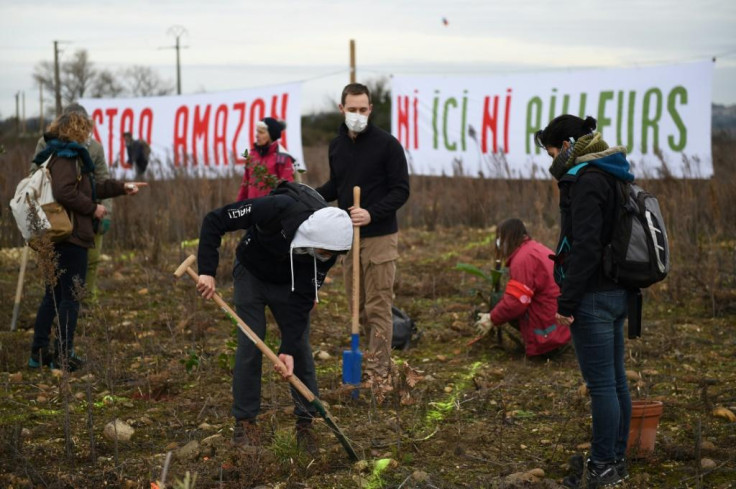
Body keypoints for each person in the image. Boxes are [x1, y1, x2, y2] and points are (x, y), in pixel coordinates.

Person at [195, 190, 353, 454]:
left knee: (300, 347)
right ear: (314, 236)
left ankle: (306, 424)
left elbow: (302, 303)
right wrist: (207, 271)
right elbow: (215, 220)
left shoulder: (329, 252)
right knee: (251, 344)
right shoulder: (277, 208)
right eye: (323, 250)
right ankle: (245, 424)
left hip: (288, 285)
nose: (326, 256)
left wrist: (287, 349)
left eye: (330, 253)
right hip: (251, 273)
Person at [535, 115, 633, 489]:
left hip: (593, 295)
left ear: (569, 146)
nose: (552, 158)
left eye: (553, 150)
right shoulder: (611, 170)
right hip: (617, 289)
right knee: (616, 381)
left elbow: (586, 247)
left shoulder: (587, 180)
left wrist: (567, 302)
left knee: (603, 386)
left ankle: (604, 464)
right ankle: (617, 460)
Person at [29, 111, 146, 372]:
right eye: (86, 130)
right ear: (77, 130)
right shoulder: (68, 156)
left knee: (53, 296)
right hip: (70, 236)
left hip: (57, 235)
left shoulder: (56, 154)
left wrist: (121, 188)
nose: (90, 135)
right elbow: (65, 191)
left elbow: (88, 187)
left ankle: (39, 354)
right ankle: (62, 354)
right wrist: (93, 209)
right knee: (69, 297)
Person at [316, 83, 410, 384]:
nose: (357, 114)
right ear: (342, 109)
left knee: (377, 305)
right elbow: (337, 187)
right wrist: (307, 196)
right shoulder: (337, 146)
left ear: (370, 109)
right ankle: (363, 363)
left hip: (380, 236)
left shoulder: (387, 145)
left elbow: (401, 191)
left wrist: (371, 213)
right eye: (352, 109)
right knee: (356, 305)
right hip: (349, 237)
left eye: (363, 109)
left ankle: (378, 373)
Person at [32, 103, 112, 303]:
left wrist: (107, 210)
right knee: (54, 264)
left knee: (91, 261)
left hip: (87, 214)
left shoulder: (94, 148)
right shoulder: (46, 144)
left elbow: (103, 180)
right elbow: (34, 176)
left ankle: (85, 301)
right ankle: (55, 304)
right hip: (55, 214)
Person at [474, 218, 570, 357]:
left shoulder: (523, 259)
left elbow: (516, 302)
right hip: (560, 319)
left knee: (504, 301)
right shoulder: (534, 249)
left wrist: (492, 318)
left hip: (549, 325)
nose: (498, 243)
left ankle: (545, 346)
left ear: (508, 237)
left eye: (500, 238)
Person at [237, 117, 295, 201]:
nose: (257, 135)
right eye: (257, 131)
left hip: (272, 208)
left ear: (271, 135)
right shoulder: (252, 155)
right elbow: (245, 185)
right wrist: (238, 207)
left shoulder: (283, 157)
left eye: (261, 132)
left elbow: (288, 189)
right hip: (252, 208)